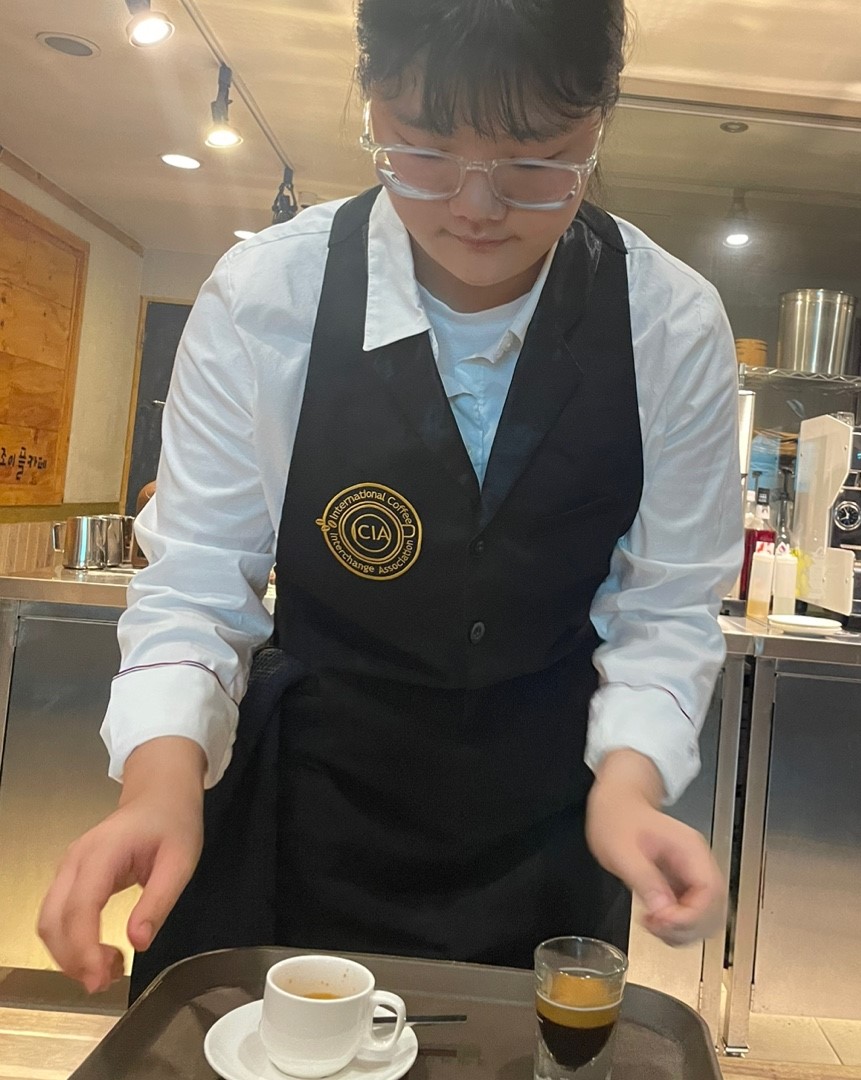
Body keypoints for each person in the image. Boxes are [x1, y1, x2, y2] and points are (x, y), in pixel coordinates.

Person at [38, 0, 743, 997]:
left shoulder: (669, 323)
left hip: (553, 815)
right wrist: (158, 784)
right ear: (371, 103)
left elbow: (667, 606)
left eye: (536, 161)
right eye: (424, 150)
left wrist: (631, 783)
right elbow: (197, 583)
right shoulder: (266, 296)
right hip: (307, 802)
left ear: (599, 121)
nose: (476, 206)